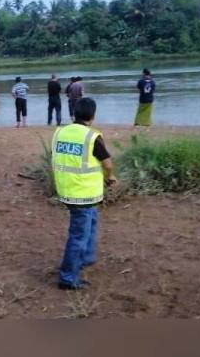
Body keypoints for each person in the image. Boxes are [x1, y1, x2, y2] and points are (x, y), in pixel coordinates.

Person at [51, 97, 117, 290]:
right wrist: (110, 177)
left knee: (91, 222)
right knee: (78, 235)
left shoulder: (60, 132)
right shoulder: (92, 136)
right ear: (93, 115)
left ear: (74, 113)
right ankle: (68, 278)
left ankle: (86, 258)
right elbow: (107, 162)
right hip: (84, 193)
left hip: (66, 189)